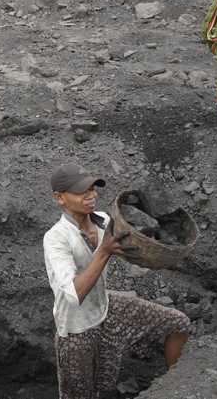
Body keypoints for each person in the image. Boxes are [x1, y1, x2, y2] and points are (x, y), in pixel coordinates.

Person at [43, 163, 189, 398]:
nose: (91, 196)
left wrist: (157, 233)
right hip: (76, 333)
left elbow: (135, 249)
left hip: (108, 310)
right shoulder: (56, 238)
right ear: (59, 197)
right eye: (82, 191)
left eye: (92, 189)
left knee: (178, 323)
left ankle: (177, 390)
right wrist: (104, 251)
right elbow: (73, 294)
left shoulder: (102, 220)